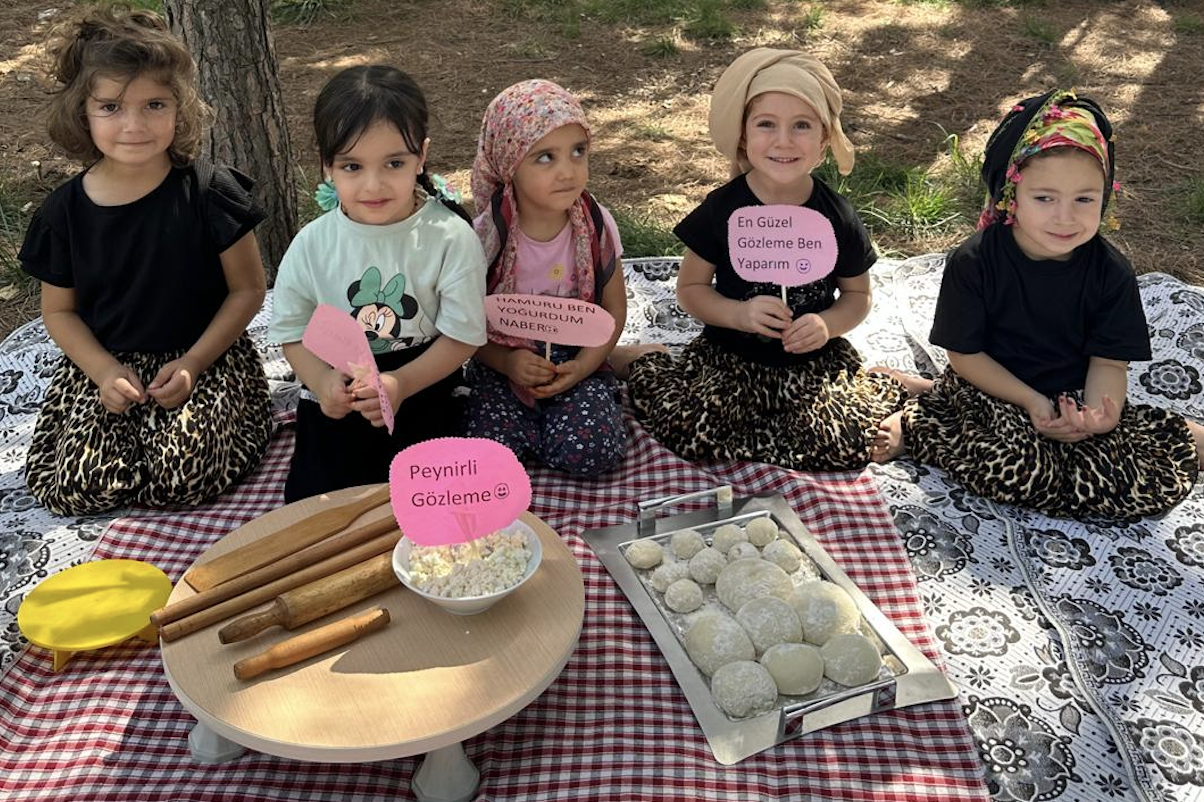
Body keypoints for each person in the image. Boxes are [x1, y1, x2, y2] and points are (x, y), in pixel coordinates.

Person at [871, 89, 1203, 521]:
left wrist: (1100, 415)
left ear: (1105, 196)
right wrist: (1030, 401)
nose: (1065, 218)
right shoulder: (975, 261)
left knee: (1127, 480)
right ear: (1012, 196)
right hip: (989, 389)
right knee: (1013, 470)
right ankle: (926, 414)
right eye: (1045, 198)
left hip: (1071, 399)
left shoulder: (1110, 273)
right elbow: (966, 355)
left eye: (1084, 199)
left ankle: (1177, 435)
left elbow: (1109, 362)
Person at [19, 6, 272, 516]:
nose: (134, 125)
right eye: (111, 107)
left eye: (154, 104)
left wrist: (195, 363)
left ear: (180, 107)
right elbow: (59, 312)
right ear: (82, 113)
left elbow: (248, 290)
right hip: (108, 365)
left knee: (183, 476)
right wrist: (104, 371)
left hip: (201, 356)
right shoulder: (63, 212)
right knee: (80, 486)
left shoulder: (210, 191)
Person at [625, 48, 907, 470]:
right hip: (729, 359)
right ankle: (643, 359)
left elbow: (857, 296)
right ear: (743, 135)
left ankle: (886, 382)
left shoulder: (836, 215)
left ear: (824, 139)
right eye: (766, 125)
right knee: (692, 432)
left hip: (811, 365)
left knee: (843, 445)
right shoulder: (722, 210)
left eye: (801, 126)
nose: (784, 141)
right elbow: (691, 290)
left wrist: (826, 324)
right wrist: (739, 314)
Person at [269, 65, 486, 502]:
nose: (374, 184)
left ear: (421, 156)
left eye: (394, 163)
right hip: (339, 387)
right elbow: (292, 330)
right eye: (352, 165)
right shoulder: (313, 244)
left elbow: (463, 336)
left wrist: (400, 384)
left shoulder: (450, 237)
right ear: (327, 165)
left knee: (437, 500)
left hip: (424, 383)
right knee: (317, 505)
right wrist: (319, 381)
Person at [465, 79, 657, 476]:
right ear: (509, 162)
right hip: (504, 362)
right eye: (545, 157)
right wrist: (506, 362)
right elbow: (462, 324)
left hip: (574, 359)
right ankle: (531, 430)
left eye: (578, 152)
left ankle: (602, 376)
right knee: (488, 458)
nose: (568, 171)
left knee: (593, 451)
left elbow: (613, 307)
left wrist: (585, 366)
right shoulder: (486, 236)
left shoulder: (596, 225)